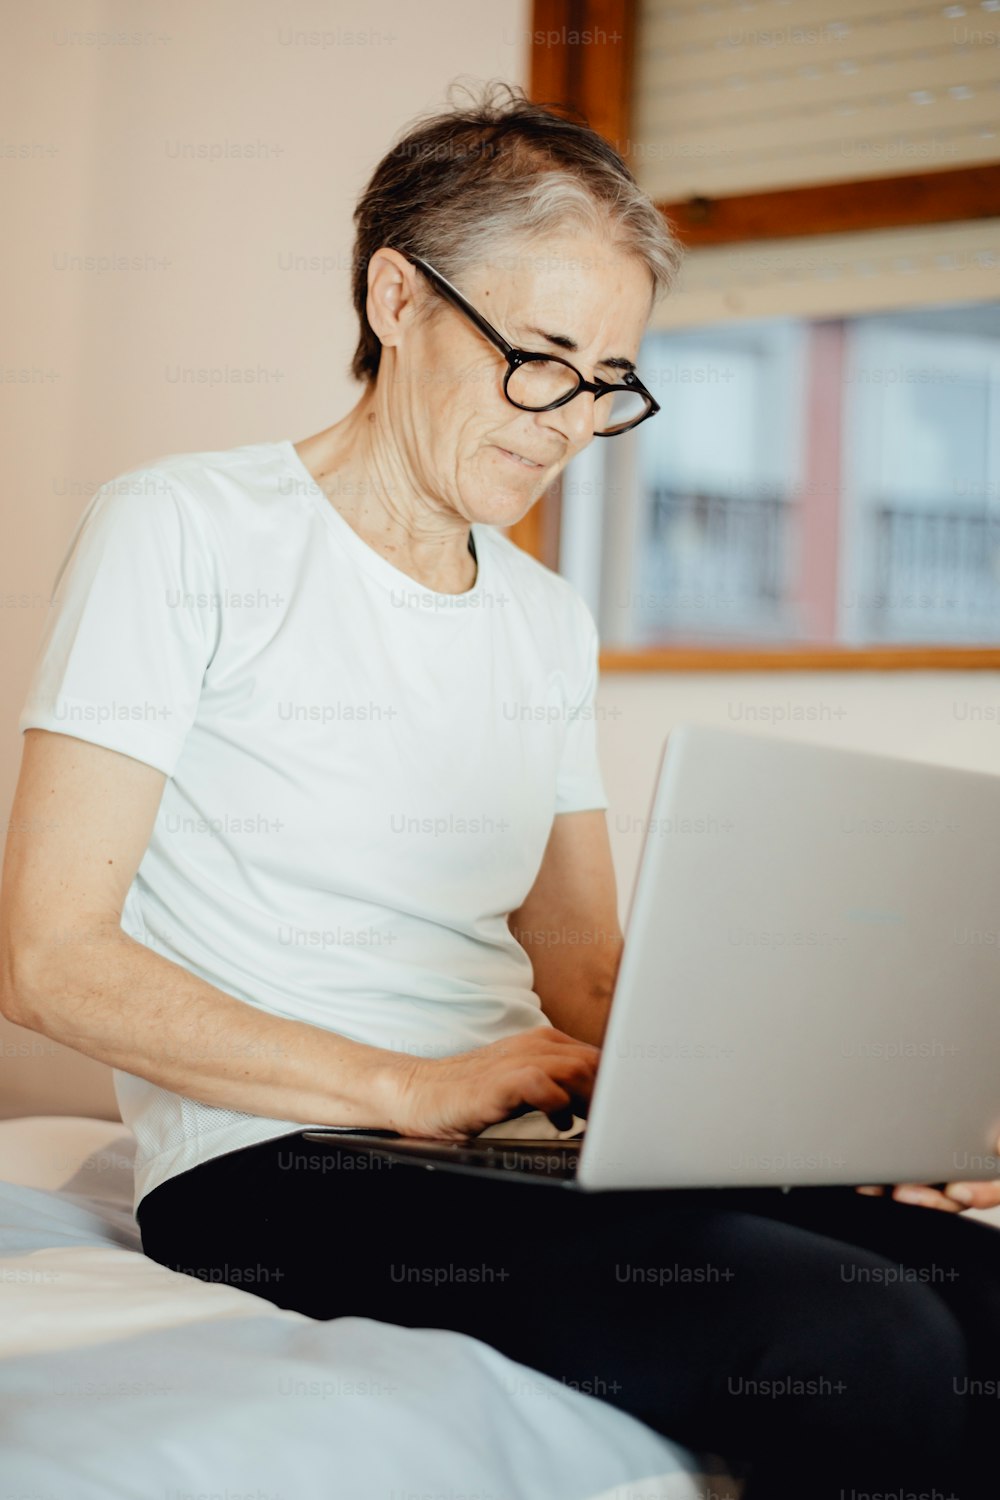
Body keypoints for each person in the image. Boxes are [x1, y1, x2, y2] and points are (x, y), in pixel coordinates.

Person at [2, 81, 999, 1499]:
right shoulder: (186, 527)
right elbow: (44, 959)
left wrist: (837, 1131)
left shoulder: (540, 618)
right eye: (541, 359)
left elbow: (585, 971)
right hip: (281, 1161)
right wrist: (411, 1086)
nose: (571, 422)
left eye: (608, 381)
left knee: (979, 1290)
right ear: (397, 298)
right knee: (863, 1336)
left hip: (511, 1143)